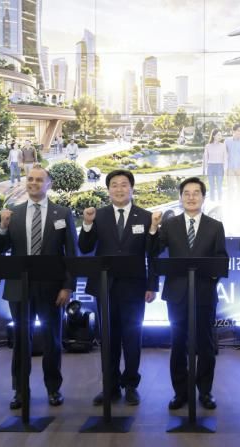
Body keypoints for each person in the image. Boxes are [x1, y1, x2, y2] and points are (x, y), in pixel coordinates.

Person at [0, 166, 77, 409]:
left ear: (49, 184)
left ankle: (53, 389)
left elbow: (71, 253)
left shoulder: (63, 213)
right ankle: (20, 391)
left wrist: (68, 286)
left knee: (52, 340)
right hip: (19, 286)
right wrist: (2, 227)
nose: (34, 183)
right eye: (30, 179)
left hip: (52, 288)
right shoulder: (13, 213)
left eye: (40, 180)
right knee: (21, 340)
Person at [79, 169, 158, 406]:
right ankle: (110, 387)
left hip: (134, 287)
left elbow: (153, 254)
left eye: (124, 184)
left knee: (132, 338)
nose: (119, 189)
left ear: (132, 188)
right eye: (114, 185)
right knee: (108, 339)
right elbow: (85, 247)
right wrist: (87, 224)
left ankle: (131, 385)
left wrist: (152, 285)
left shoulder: (146, 217)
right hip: (106, 287)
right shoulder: (98, 215)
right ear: (108, 190)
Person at [147, 177, 228, 411]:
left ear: (203, 197)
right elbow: (154, 250)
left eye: (196, 193)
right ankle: (180, 393)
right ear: (181, 197)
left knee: (206, 344)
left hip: (204, 293)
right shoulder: (169, 225)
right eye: (186, 193)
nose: (191, 197)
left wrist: (210, 277)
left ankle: (205, 392)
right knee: (178, 344)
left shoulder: (215, 226)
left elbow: (221, 258)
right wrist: (153, 229)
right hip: (177, 294)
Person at [202, 129, 228, 201]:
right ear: (213, 136)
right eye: (218, 135)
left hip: (220, 167)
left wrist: (225, 169)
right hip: (210, 167)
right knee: (211, 186)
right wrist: (204, 170)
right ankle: (212, 201)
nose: (220, 136)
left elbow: (225, 158)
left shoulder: (223, 146)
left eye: (221, 135)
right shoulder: (208, 146)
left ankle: (220, 201)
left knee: (219, 186)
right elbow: (205, 159)